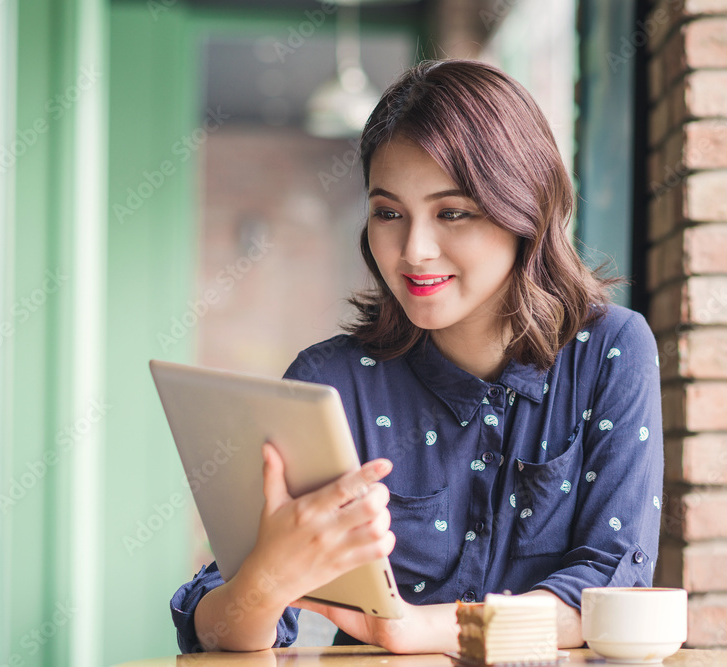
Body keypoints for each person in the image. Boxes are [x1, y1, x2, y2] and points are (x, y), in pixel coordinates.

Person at [170, 58, 663, 655]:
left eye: (452, 213)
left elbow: (615, 582)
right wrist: (268, 580)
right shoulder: (330, 383)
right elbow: (218, 627)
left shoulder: (610, 351)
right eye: (388, 213)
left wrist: (417, 628)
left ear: (524, 210)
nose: (414, 250)